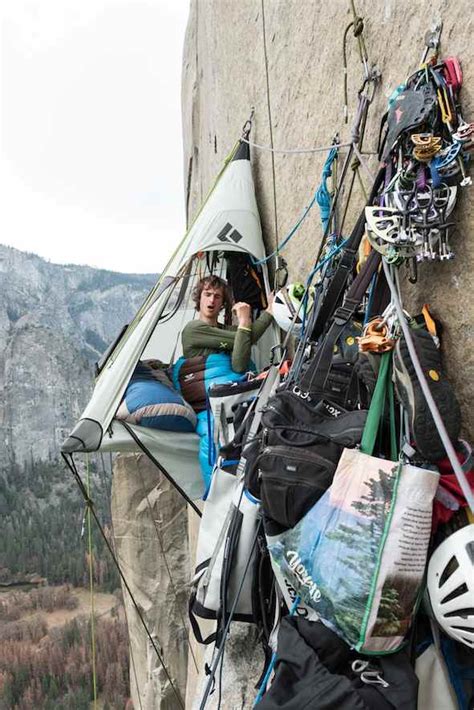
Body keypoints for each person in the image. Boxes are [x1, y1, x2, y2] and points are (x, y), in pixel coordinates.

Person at [182, 275, 274, 373]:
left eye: (217, 296)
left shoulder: (224, 329)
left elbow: (247, 337)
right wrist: (245, 319)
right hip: (212, 386)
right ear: (199, 298)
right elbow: (244, 340)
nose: (212, 300)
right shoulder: (193, 329)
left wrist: (268, 311)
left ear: (222, 303)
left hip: (233, 385)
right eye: (207, 294)